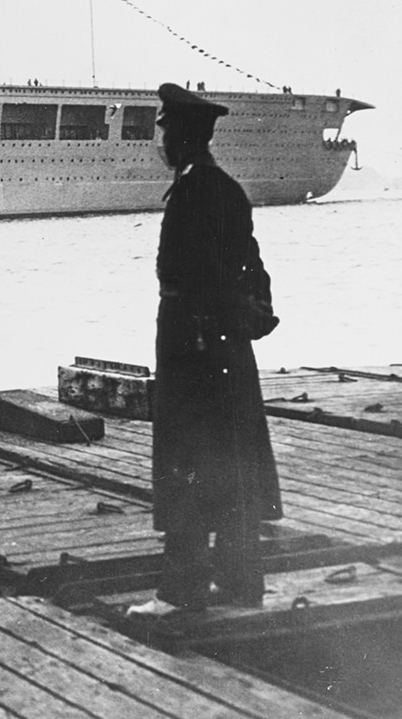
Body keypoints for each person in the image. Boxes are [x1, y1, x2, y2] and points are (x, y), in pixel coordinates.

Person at [128, 83, 282, 618]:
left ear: (184, 135)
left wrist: (202, 332)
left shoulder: (195, 192)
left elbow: (204, 275)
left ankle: (181, 591)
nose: (163, 140)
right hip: (223, 349)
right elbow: (251, 265)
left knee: (188, 464)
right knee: (233, 462)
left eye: (167, 131)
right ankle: (242, 582)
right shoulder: (225, 188)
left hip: (194, 349)